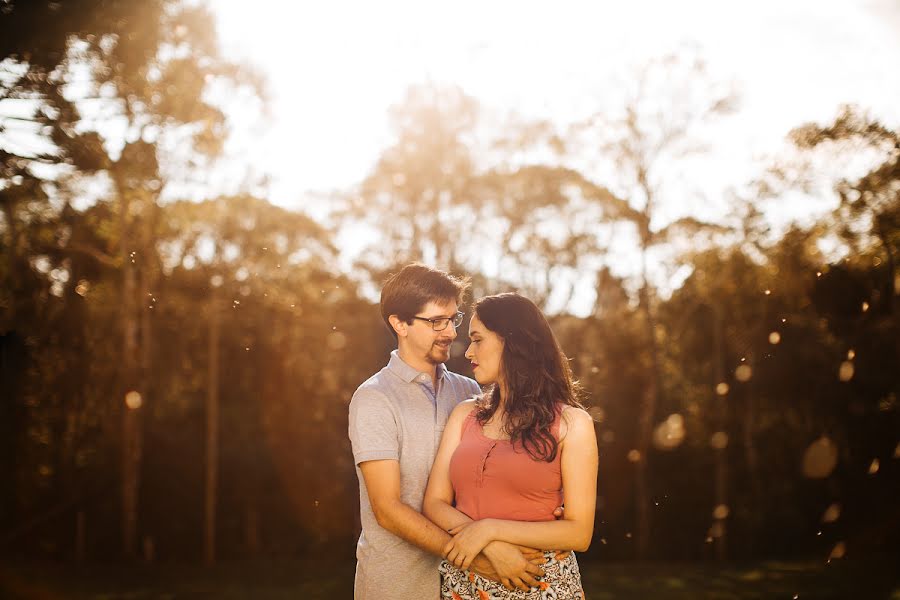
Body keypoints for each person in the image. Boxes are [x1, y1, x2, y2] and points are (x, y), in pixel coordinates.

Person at [348, 265, 546, 600]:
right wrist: (476, 554)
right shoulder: (374, 398)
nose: (451, 332)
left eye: (453, 319)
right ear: (399, 324)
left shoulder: (472, 393)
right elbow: (388, 508)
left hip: (467, 589)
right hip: (398, 586)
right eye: (436, 321)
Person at [423, 292, 599, 599]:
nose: (468, 352)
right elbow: (434, 502)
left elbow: (579, 532)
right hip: (466, 581)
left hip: (538, 582)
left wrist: (489, 530)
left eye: (478, 339)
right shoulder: (465, 414)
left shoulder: (572, 424)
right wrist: (490, 546)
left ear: (511, 342)